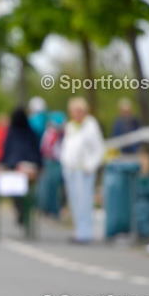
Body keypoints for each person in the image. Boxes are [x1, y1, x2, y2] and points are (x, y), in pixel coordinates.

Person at [59, 97, 105, 244]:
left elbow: (98, 149)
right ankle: (78, 230)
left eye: (79, 111)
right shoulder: (71, 126)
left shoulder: (90, 126)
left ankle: (85, 233)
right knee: (74, 202)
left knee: (84, 202)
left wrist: (89, 166)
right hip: (71, 170)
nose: (77, 114)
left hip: (84, 171)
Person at [0, 107, 43, 225]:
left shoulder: (11, 132)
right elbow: (37, 150)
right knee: (26, 191)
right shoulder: (31, 132)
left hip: (13, 166)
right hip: (29, 167)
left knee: (15, 191)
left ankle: (20, 209)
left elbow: (6, 150)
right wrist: (39, 165)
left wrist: (3, 163)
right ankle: (26, 209)